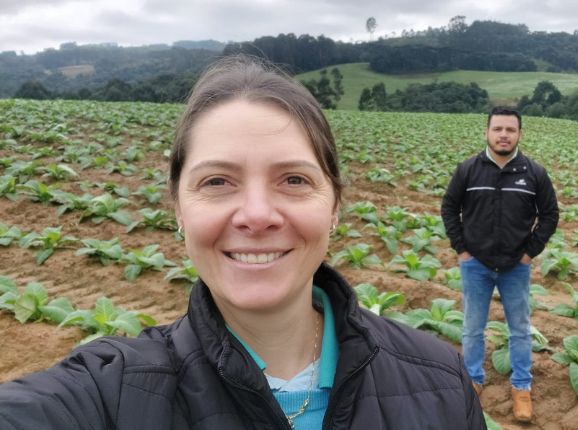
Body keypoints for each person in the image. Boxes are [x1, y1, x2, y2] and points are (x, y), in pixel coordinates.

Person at [0, 55, 485, 430]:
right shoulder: (112, 392)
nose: (256, 215)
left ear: (335, 206)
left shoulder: (440, 380)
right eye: (217, 182)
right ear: (178, 210)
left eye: (294, 180)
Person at [441, 106, 559, 422]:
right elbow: (450, 209)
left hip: (515, 267)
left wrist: (529, 252)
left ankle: (521, 388)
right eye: (498, 129)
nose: (503, 135)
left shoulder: (534, 173)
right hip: (475, 264)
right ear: (488, 132)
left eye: (510, 129)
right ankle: (472, 382)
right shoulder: (468, 169)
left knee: (519, 329)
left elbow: (550, 215)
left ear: (519, 134)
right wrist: (462, 249)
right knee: (472, 328)